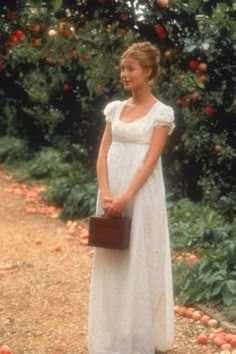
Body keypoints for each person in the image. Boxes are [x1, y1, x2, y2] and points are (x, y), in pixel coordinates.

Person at [88, 41, 175, 354]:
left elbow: (150, 161)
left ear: (147, 71)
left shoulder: (161, 114)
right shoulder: (114, 110)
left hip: (140, 194)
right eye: (122, 68)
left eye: (131, 68)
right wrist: (108, 193)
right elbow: (102, 154)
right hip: (111, 193)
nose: (124, 74)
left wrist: (126, 196)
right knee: (112, 261)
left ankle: (138, 338)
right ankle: (111, 336)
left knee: (139, 260)